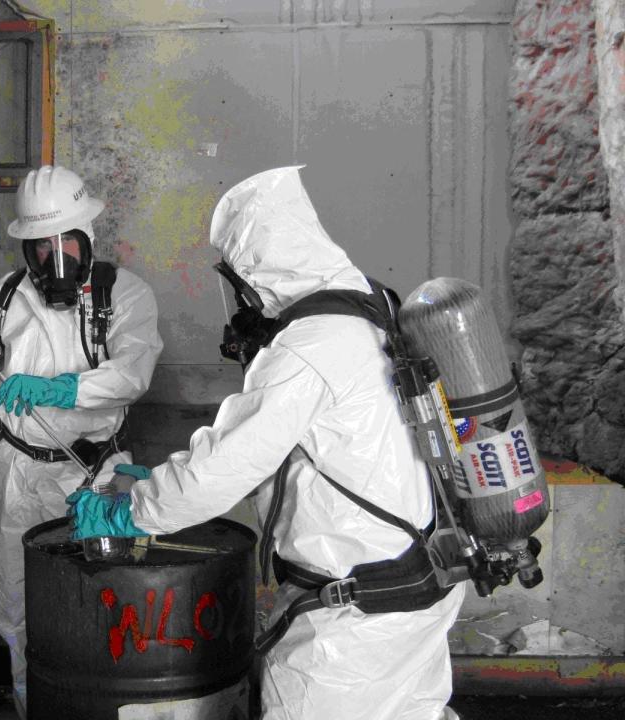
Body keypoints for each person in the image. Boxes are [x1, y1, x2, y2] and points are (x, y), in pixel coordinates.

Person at [68, 166, 465, 720]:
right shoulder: (373, 307)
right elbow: (310, 453)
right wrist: (156, 479)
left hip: (352, 627)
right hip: (416, 583)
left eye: (239, 280)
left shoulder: (309, 346)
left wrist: (131, 512)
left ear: (257, 265)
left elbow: (224, 465)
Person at [0, 165, 163, 718]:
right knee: (15, 602)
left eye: (67, 240)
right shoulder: (7, 294)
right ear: (27, 247)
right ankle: (32, 707)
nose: (56, 257)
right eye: (42, 245)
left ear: (87, 235)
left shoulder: (124, 294)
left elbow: (133, 373)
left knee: (100, 598)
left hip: (93, 476)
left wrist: (61, 389)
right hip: (20, 475)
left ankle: (99, 706)